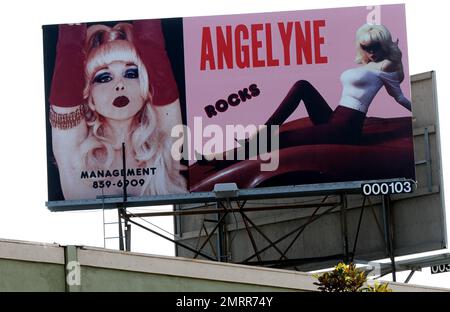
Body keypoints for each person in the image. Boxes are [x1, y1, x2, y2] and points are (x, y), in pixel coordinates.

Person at [197, 23, 412, 166]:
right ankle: (263, 132)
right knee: (302, 85)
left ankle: (219, 158)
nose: (371, 52)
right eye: (366, 48)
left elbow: (399, 97)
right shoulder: (368, 64)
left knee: (282, 140)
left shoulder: (387, 67)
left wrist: (417, 112)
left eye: (375, 46)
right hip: (333, 117)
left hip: (345, 130)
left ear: (384, 44)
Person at [49, 20, 187, 200]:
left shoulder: (163, 144)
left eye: (131, 74)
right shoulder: (76, 155)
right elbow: (68, 53)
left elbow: (152, 47)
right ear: (90, 98)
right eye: (104, 77)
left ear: (145, 89)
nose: (120, 85)